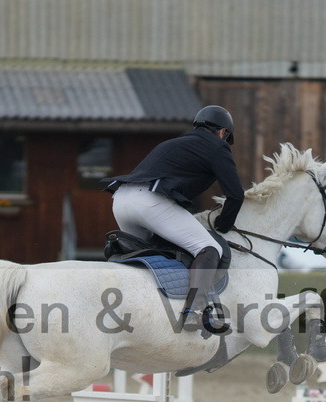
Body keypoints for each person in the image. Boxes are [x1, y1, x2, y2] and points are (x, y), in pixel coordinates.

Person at [102, 105, 244, 334]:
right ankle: (193, 312)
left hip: (121, 199)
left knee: (153, 256)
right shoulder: (218, 147)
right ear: (223, 133)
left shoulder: (172, 143)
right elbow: (236, 195)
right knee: (209, 248)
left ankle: (148, 313)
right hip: (149, 202)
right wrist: (223, 225)